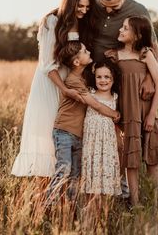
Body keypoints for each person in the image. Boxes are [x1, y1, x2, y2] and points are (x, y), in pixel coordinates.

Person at [11, 0, 98, 177]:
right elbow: (47, 64)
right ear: (70, 2)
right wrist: (64, 89)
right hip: (51, 83)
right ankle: (45, 198)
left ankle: (63, 198)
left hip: (72, 82)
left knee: (66, 137)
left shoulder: (84, 23)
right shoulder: (52, 21)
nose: (84, 10)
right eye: (80, 6)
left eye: (87, 6)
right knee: (48, 135)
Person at [105, 16, 158, 206]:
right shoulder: (113, 56)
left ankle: (152, 200)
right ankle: (135, 200)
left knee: (152, 158)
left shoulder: (145, 54)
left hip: (145, 111)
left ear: (137, 34)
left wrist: (151, 115)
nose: (120, 31)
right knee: (130, 159)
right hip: (126, 113)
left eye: (125, 28)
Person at [47, 41, 120, 203]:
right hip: (64, 130)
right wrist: (115, 114)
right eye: (85, 51)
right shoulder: (73, 80)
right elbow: (94, 104)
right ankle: (48, 204)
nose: (89, 52)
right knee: (63, 169)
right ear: (76, 62)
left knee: (75, 174)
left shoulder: (82, 78)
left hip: (78, 134)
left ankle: (70, 209)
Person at [93, 0, 158, 101]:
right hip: (91, 73)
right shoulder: (92, 0)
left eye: (114, 7)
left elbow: (153, 46)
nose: (108, 10)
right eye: (104, 5)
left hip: (119, 76)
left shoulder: (138, 10)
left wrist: (150, 79)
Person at [81, 59, 122, 197]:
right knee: (92, 173)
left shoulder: (116, 98)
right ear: (94, 77)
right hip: (91, 144)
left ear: (113, 78)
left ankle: (103, 212)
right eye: (99, 77)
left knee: (106, 171)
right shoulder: (90, 94)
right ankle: (89, 211)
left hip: (108, 145)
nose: (103, 80)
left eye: (107, 77)